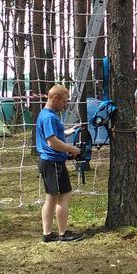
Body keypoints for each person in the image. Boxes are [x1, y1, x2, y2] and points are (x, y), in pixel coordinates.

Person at [34, 84, 85, 243]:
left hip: (53, 162)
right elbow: (53, 142)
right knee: (58, 198)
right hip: (52, 162)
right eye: (64, 101)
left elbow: (56, 134)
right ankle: (62, 233)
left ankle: (49, 233)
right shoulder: (49, 117)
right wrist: (72, 149)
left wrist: (71, 130)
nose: (65, 104)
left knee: (56, 197)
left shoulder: (47, 115)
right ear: (55, 98)